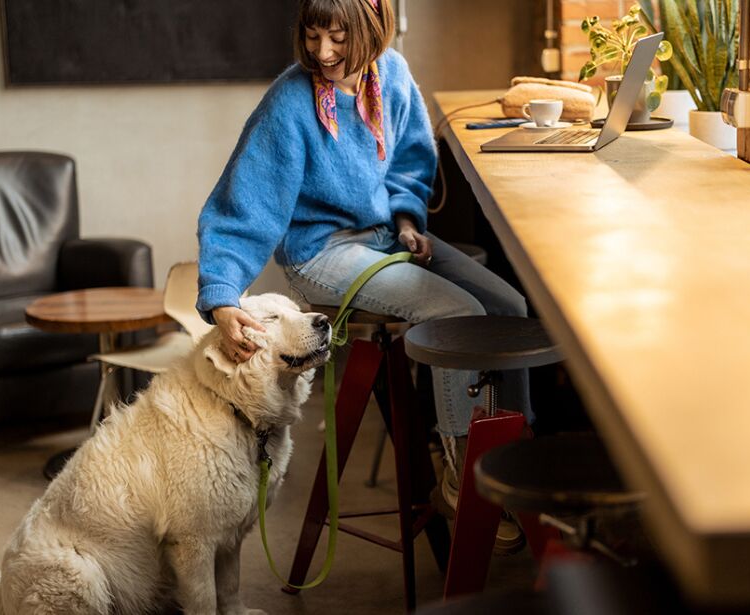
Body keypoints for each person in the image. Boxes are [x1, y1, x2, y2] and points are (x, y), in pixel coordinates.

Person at [197, 0, 529, 554]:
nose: (323, 53)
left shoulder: (393, 74)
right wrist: (223, 296)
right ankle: (461, 476)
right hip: (320, 253)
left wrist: (407, 220)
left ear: (372, 27)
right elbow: (243, 206)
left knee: (510, 307)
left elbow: (411, 162)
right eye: (312, 36)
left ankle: (508, 459)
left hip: (384, 236)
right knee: (458, 313)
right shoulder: (289, 102)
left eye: (338, 37)